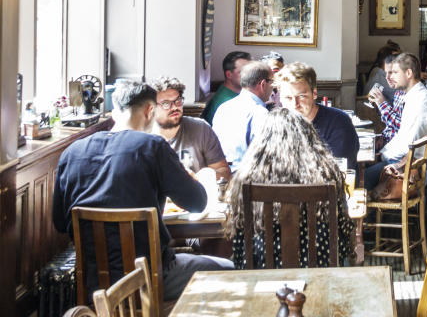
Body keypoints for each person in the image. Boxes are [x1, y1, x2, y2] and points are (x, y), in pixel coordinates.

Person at [53, 81, 233, 301]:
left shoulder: (72, 152)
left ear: (113, 113)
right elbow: (197, 202)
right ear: (150, 111)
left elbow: (60, 223)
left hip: (92, 282)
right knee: (229, 269)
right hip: (151, 276)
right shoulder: (153, 146)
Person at [225, 108, 355, 268]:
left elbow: (240, 234)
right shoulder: (327, 173)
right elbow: (343, 226)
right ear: (308, 137)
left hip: (262, 271)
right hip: (321, 269)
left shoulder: (247, 177)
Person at [364, 53, 427, 190]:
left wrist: (382, 156)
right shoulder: (412, 96)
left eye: (395, 72)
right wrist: (381, 153)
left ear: (409, 73)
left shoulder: (420, 100)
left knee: (361, 178)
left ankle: (366, 210)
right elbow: (402, 136)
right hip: (403, 159)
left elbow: (408, 145)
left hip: (410, 166)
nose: (390, 77)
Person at [275, 62, 360, 170]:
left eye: (301, 96)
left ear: (314, 93)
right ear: (280, 99)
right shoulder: (277, 125)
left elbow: (338, 172)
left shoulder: (339, 123)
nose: (294, 105)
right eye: (288, 98)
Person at [150, 76, 230, 181]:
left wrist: (198, 179)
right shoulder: (144, 136)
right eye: (166, 103)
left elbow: (224, 171)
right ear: (151, 108)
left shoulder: (201, 129)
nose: (174, 107)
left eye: (178, 101)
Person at [212, 61, 272, 167]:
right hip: (247, 178)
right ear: (263, 84)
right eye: (272, 82)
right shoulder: (260, 113)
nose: (273, 87)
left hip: (222, 174)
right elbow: (266, 155)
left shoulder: (223, 108)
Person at [202, 51, 251, 124]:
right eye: (243, 72)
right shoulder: (227, 102)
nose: (250, 75)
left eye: (251, 71)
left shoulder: (230, 92)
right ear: (229, 75)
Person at [367, 53, 405, 147]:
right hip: (387, 145)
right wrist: (383, 136)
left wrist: (382, 103)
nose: (387, 77)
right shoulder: (398, 92)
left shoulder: (409, 95)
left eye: (392, 72)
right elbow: (392, 125)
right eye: (386, 72)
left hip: (396, 151)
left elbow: (401, 128)